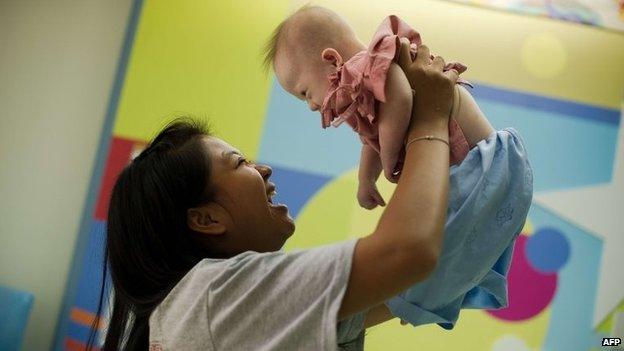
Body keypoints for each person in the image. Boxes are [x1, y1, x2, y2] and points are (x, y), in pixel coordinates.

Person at [87, 40, 467, 351]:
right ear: (206, 218)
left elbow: (418, 283)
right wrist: (431, 117)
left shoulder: (207, 310)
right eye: (239, 163)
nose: (263, 169)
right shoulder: (213, 297)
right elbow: (408, 252)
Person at [264, 6, 533, 330]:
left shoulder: (373, 64)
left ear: (332, 60)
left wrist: (391, 157)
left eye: (304, 92)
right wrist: (367, 178)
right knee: (443, 251)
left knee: (434, 251)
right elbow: (371, 140)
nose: (310, 104)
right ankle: (419, 293)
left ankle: (417, 294)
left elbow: (401, 98)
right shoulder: (362, 93)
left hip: (484, 165)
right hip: (481, 179)